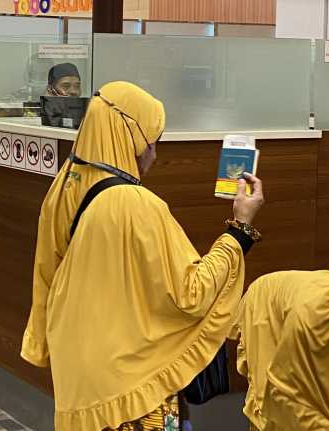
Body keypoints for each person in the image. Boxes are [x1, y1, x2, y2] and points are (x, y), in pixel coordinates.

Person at [20, 81, 265, 431]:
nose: (154, 153)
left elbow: (45, 275)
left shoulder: (64, 185)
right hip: (130, 377)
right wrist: (239, 229)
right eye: (153, 140)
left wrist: (41, 344)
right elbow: (190, 293)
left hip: (76, 365)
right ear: (131, 137)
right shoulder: (136, 205)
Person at [229, 271, 329, 431]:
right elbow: (283, 391)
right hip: (267, 311)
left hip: (308, 302)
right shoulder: (306, 322)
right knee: (266, 409)